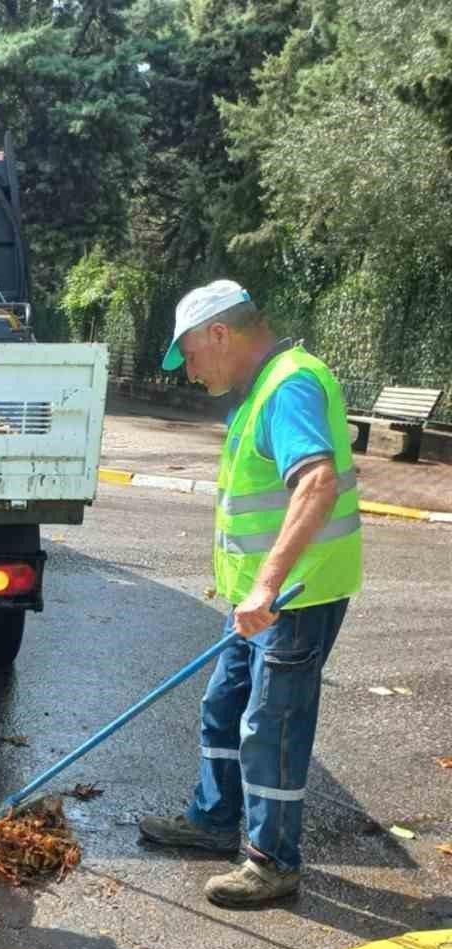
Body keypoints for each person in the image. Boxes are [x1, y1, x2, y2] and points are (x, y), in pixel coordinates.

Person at [138, 280, 362, 907]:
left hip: (294, 596)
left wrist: (265, 584)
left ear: (219, 333)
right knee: (224, 704)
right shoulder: (259, 390)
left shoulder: (289, 385)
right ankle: (212, 823)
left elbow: (316, 483)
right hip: (257, 602)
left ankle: (273, 861)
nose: (187, 370)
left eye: (189, 353)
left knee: (272, 725)